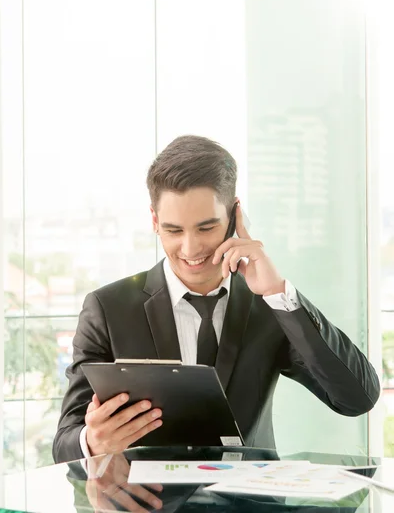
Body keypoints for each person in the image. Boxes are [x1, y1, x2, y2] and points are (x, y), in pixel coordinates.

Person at [53, 135, 380, 464]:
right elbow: (64, 443)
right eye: (174, 230)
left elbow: (357, 398)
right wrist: (92, 441)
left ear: (235, 216)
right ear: (154, 221)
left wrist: (278, 293)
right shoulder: (107, 309)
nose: (191, 249)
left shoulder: (269, 306)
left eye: (206, 228)